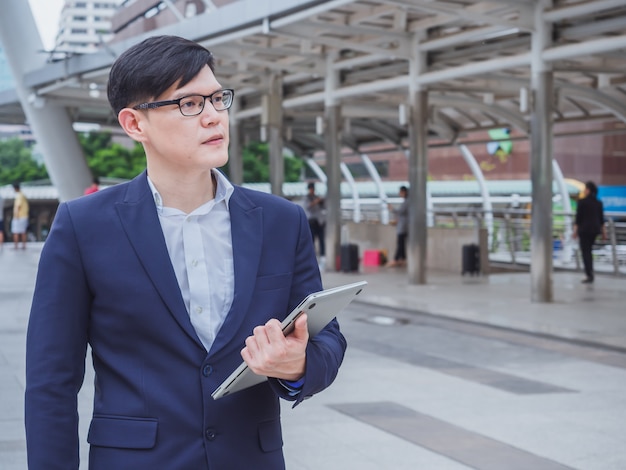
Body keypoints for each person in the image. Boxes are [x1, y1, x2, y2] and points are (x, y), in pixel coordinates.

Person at [25, 35, 346, 470]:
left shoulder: (280, 221)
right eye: (190, 104)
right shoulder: (83, 226)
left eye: (218, 99)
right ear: (135, 124)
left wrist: (297, 364)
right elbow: (51, 382)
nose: (213, 116)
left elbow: (327, 335)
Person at [572, 180, 605, 284]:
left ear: (588, 190)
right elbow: (601, 220)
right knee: (589, 251)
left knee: (585, 252)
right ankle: (590, 272)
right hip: (594, 230)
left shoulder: (582, 202)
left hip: (584, 230)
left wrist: (575, 231)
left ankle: (589, 274)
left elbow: (578, 219)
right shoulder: (598, 203)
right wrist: (604, 233)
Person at [386, 185, 409, 267]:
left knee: (400, 243)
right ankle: (402, 259)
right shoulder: (407, 201)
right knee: (401, 244)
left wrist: (392, 209)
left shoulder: (407, 202)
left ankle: (396, 259)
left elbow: (400, 212)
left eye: (400, 192)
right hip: (404, 225)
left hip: (404, 227)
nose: (399, 194)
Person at [304, 181, 326, 261]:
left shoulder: (316, 197)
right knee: (311, 241)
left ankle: (323, 257)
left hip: (319, 221)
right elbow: (308, 206)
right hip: (311, 221)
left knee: (321, 240)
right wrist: (316, 201)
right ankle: (313, 258)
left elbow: (323, 207)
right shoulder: (307, 198)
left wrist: (320, 201)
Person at [11, 182, 29, 249]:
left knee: (15, 231)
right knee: (23, 231)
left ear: (15, 188)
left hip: (19, 216)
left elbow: (18, 206)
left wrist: (16, 216)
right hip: (24, 216)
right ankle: (24, 245)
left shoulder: (19, 195)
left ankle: (16, 246)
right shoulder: (23, 195)